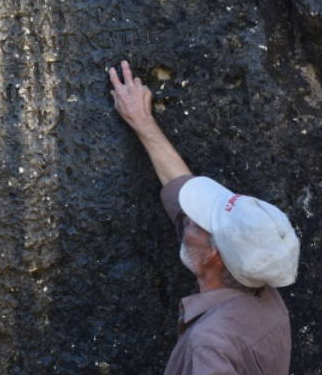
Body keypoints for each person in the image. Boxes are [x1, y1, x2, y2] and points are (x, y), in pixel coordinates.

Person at [108, 60, 300, 374]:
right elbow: (182, 194)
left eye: (197, 221)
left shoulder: (210, 344)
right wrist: (143, 122)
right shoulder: (266, 296)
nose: (186, 220)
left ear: (213, 254)